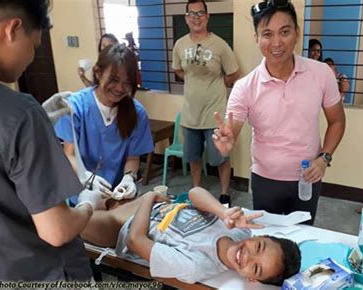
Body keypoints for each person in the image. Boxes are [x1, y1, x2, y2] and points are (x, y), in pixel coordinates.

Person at [0, 0, 106, 281]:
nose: (31, 57)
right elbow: (57, 231)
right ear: (13, 30)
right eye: (34, 46)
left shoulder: (18, 116)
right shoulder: (20, 113)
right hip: (39, 274)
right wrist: (88, 204)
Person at [212, 0, 346, 225]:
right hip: (265, 180)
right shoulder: (245, 86)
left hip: (308, 177)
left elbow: (337, 121)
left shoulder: (321, 73)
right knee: (268, 242)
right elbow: (231, 129)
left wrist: (325, 158)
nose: (276, 43)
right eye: (267, 34)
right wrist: (228, 141)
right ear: (256, 38)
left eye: (284, 32)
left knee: (302, 239)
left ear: (297, 32)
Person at [81, 187, 301, 286]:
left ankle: (86, 204)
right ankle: (93, 202)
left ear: (250, 279)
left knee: (69, 219)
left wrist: (148, 197)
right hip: (160, 206)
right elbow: (195, 193)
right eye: (259, 246)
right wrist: (222, 212)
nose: (248, 254)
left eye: (255, 268)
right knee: (105, 198)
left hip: (124, 226)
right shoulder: (240, 230)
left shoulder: (196, 266)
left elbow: (134, 240)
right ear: (260, 237)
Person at [55, 44, 154, 204]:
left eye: (127, 82)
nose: (120, 88)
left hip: (116, 195)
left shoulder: (137, 113)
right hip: (82, 194)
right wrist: (85, 177)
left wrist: (129, 178)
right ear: (98, 73)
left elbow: (132, 157)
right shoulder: (75, 107)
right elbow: (69, 154)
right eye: (114, 80)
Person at [172, 0, 241, 205]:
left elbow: (234, 73)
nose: (196, 17)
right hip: (190, 114)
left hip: (214, 113)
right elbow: (178, 70)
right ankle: (196, 190)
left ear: (207, 17)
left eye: (200, 13)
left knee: (220, 157)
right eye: (191, 14)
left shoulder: (219, 45)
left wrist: (216, 83)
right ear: (186, 18)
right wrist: (195, 81)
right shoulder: (180, 44)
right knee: (193, 157)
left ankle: (224, 192)